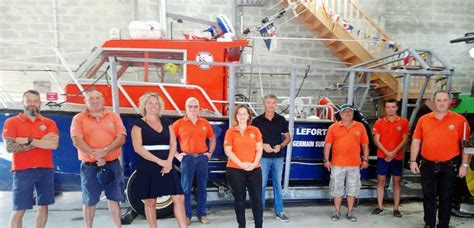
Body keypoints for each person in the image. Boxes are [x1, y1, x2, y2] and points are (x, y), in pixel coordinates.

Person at [410, 90, 471, 228]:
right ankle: (429, 223)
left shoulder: (460, 120)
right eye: (439, 100)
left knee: (446, 197)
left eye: (444, 100)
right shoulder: (423, 120)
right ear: (433, 102)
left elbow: (466, 145)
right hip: (427, 164)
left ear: (449, 102)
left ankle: (443, 224)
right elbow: (416, 141)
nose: (442, 103)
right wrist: (413, 160)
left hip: (449, 165)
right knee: (428, 196)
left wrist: (465, 165)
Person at [70, 88, 126, 228]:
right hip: (89, 166)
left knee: (114, 198)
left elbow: (121, 137)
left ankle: (118, 226)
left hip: (112, 164)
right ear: (85, 101)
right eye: (91, 99)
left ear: (103, 100)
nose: (95, 101)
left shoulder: (113, 116)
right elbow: (77, 140)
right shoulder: (78, 118)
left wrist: (105, 151)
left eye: (97, 98)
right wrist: (95, 155)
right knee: (89, 200)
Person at [2, 90, 59, 228]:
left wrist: (28, 140)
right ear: (23, 102)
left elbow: (53, 144)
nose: (32, 104)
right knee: (19, 209)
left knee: (43, 206)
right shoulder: (12, 122)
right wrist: (40, 142)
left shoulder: (49, 122)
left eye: (35, 101)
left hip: (45, 169)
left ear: (40, 103)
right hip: (22, 171)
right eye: (29, 101)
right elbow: (10, 147)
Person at [131, 92, 187, 228]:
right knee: (150, 201)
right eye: (150, 103)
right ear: (144, 105)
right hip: (148, 166)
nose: (153, 106)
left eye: (156, 103)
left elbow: (173, 144)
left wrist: (168, 162)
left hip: (167, 165)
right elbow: (138, 148)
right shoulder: (137, 125)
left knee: (179, 197)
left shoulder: (167, 123)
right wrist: (159, 161)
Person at [172, 97, 216, 225]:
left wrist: (209, 154)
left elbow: (212, 139)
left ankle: (202, 214)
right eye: (190, 106)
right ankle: (187, 215)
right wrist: (177, 155)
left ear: (199, 108)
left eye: (195, 106)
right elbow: (170, 141)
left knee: (202, 187)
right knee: (185, 189)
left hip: (202, 158)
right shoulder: (179, 124)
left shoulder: (205, 123)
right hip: (187, 159)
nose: (192, 109)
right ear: (185, 108)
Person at [323, 104, 369, 222]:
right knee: (336, 188)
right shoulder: (333, 127)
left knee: (352, 189)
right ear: (340, 114)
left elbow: (365, 145)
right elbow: (328, 145)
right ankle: (337, 212)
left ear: (353, 114)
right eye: (345, 112)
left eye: (350, 112)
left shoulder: (360, 127)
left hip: (354, 164)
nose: (347, 114)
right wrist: (326, 160)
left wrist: (366, 159)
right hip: (337, 164)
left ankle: (349, 212)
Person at [252, 94, 291, 222]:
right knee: (261, 185)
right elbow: (252, 139)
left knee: (277, 185)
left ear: (276, 104)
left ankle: (279, 211)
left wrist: (281, 145)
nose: (271, 105)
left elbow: (288, 137)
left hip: (278, 157)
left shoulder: (281, 120)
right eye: (268, 102)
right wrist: (262, 145)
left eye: (274, 102)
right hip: (262, 157)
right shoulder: (257, 121)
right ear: (264, 104)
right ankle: (259, 213)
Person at [224, 104, 264, 228]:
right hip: (235, 170)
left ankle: (259, 225)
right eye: (239, 113)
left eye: (244, 113)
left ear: (248, 116)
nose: (242, 116)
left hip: (254, 169)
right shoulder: (230, 131)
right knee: (240, 200)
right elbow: (228, 151)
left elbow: (259, 149)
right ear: (236, 116)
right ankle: (242, 225)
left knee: (257, 199)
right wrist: (241, 164)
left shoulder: (255, 130)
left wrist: (253, 164)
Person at [371, 99, 409, 217]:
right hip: (382, 157)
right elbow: (376, 140)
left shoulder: (403, 122)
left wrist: (393, 153)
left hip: (397, 158)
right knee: (380, 181)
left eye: (393, 107)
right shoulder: (379, 123)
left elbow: (405, 140)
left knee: (397, 182)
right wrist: (387, 152)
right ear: (385, 108)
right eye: (388, 107)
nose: (390, 109)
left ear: (397, 108)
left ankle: (396, 208)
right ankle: (380, 206)